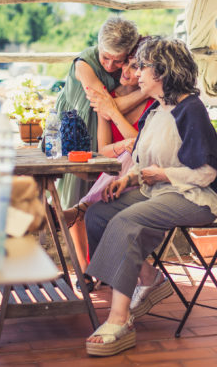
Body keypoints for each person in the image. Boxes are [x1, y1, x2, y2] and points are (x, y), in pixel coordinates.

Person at [82, 37, 217, 357]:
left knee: (127, 219)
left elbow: (207, 174)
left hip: (194, 196)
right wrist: (129, 178)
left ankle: (120, 321)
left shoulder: (191, 110)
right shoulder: (157, 110)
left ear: (162, 70)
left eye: (142, 66)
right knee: (99, 214)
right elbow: (144, 162)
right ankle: (148, 276)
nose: (136, 73)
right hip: (157, 191)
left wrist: (163, 175)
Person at [54, 17, 147, 275]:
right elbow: (106, 106)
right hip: (77, 134)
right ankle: (83, 271)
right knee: (75, 194)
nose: (110, 65)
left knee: (96, 197)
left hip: (104, 136)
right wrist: (147, 91)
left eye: (118, 60)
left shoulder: (130, 65)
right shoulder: (84, 64)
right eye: (106, 57)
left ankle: (99, 264)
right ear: (99, 47)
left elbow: (110, 108)